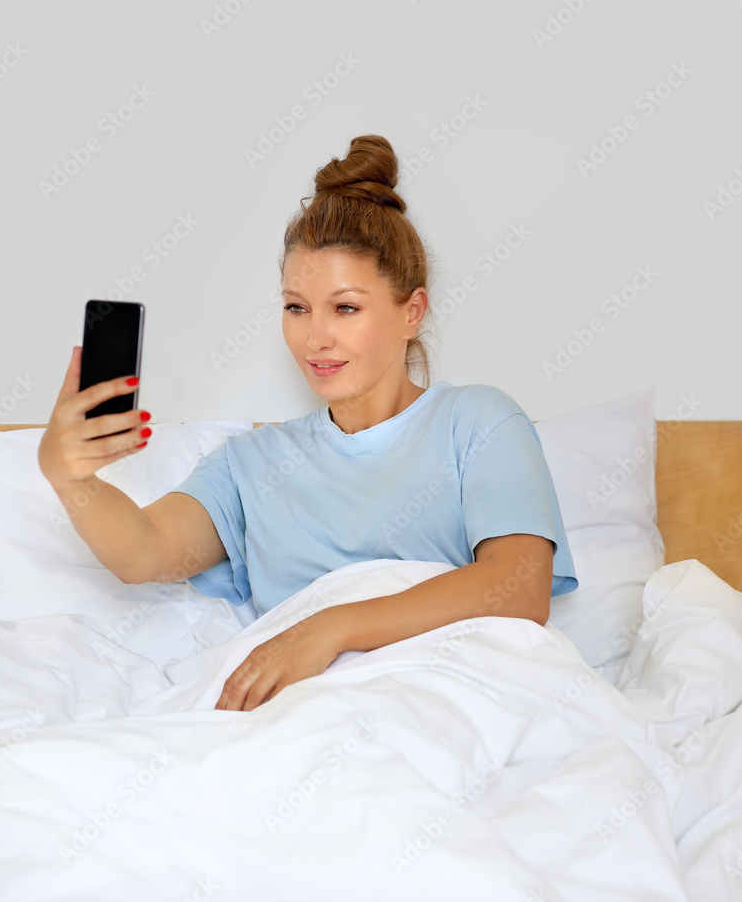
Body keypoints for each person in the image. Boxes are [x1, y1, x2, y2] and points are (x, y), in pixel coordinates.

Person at [38, 134, 577, 713]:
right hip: (306, 719)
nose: (315, 337)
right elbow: (144, 553)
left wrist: (331, 628)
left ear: (411, 312)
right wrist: (69, 478)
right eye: (297, 307)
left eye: (345, 307)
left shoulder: (478, 421)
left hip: (443, 700)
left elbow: (519, 586)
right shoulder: (253, 464)